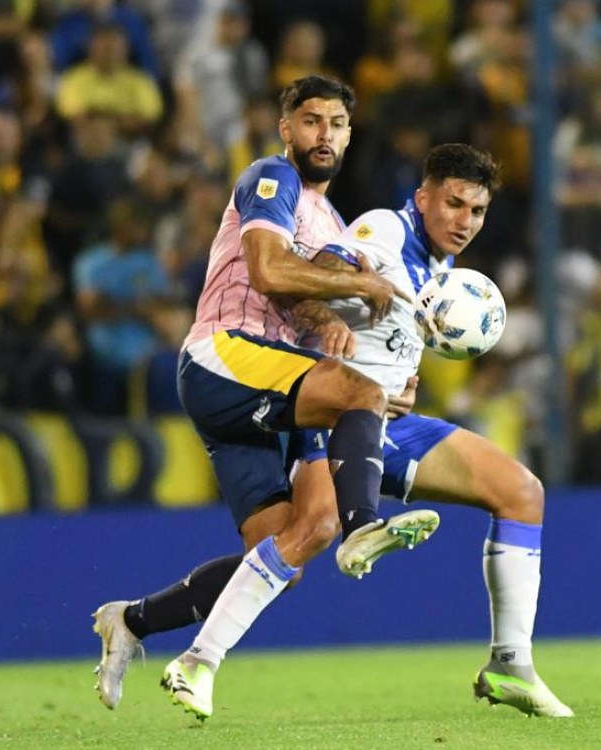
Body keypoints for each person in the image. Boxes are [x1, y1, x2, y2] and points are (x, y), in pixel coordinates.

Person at [98, 144, 573, 720]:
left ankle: (510, 663)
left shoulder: (440, 269)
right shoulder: (384, 231)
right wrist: (329, 315)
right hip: (333, 415)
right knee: (313, 530)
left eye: (477, 211)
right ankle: (201, 660)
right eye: (454, 204)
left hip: (385, 420)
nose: (465, 221)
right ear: (423, 198)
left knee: (521, 492)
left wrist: (401, 384)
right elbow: (311, 279)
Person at [91, 74, 441, 707]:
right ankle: (367, 526)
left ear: (349, 135)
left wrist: (375, 382)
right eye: (311, 121)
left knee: (292, 546)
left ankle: (133, 622)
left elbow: (308, 308)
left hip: (272, 382)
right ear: (287, 129)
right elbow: (269, 270)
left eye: (337, 124)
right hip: (225, 354)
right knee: (353, 416)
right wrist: (359, 292)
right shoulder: (271, 179)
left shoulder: (334, 222)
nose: (324, 134)